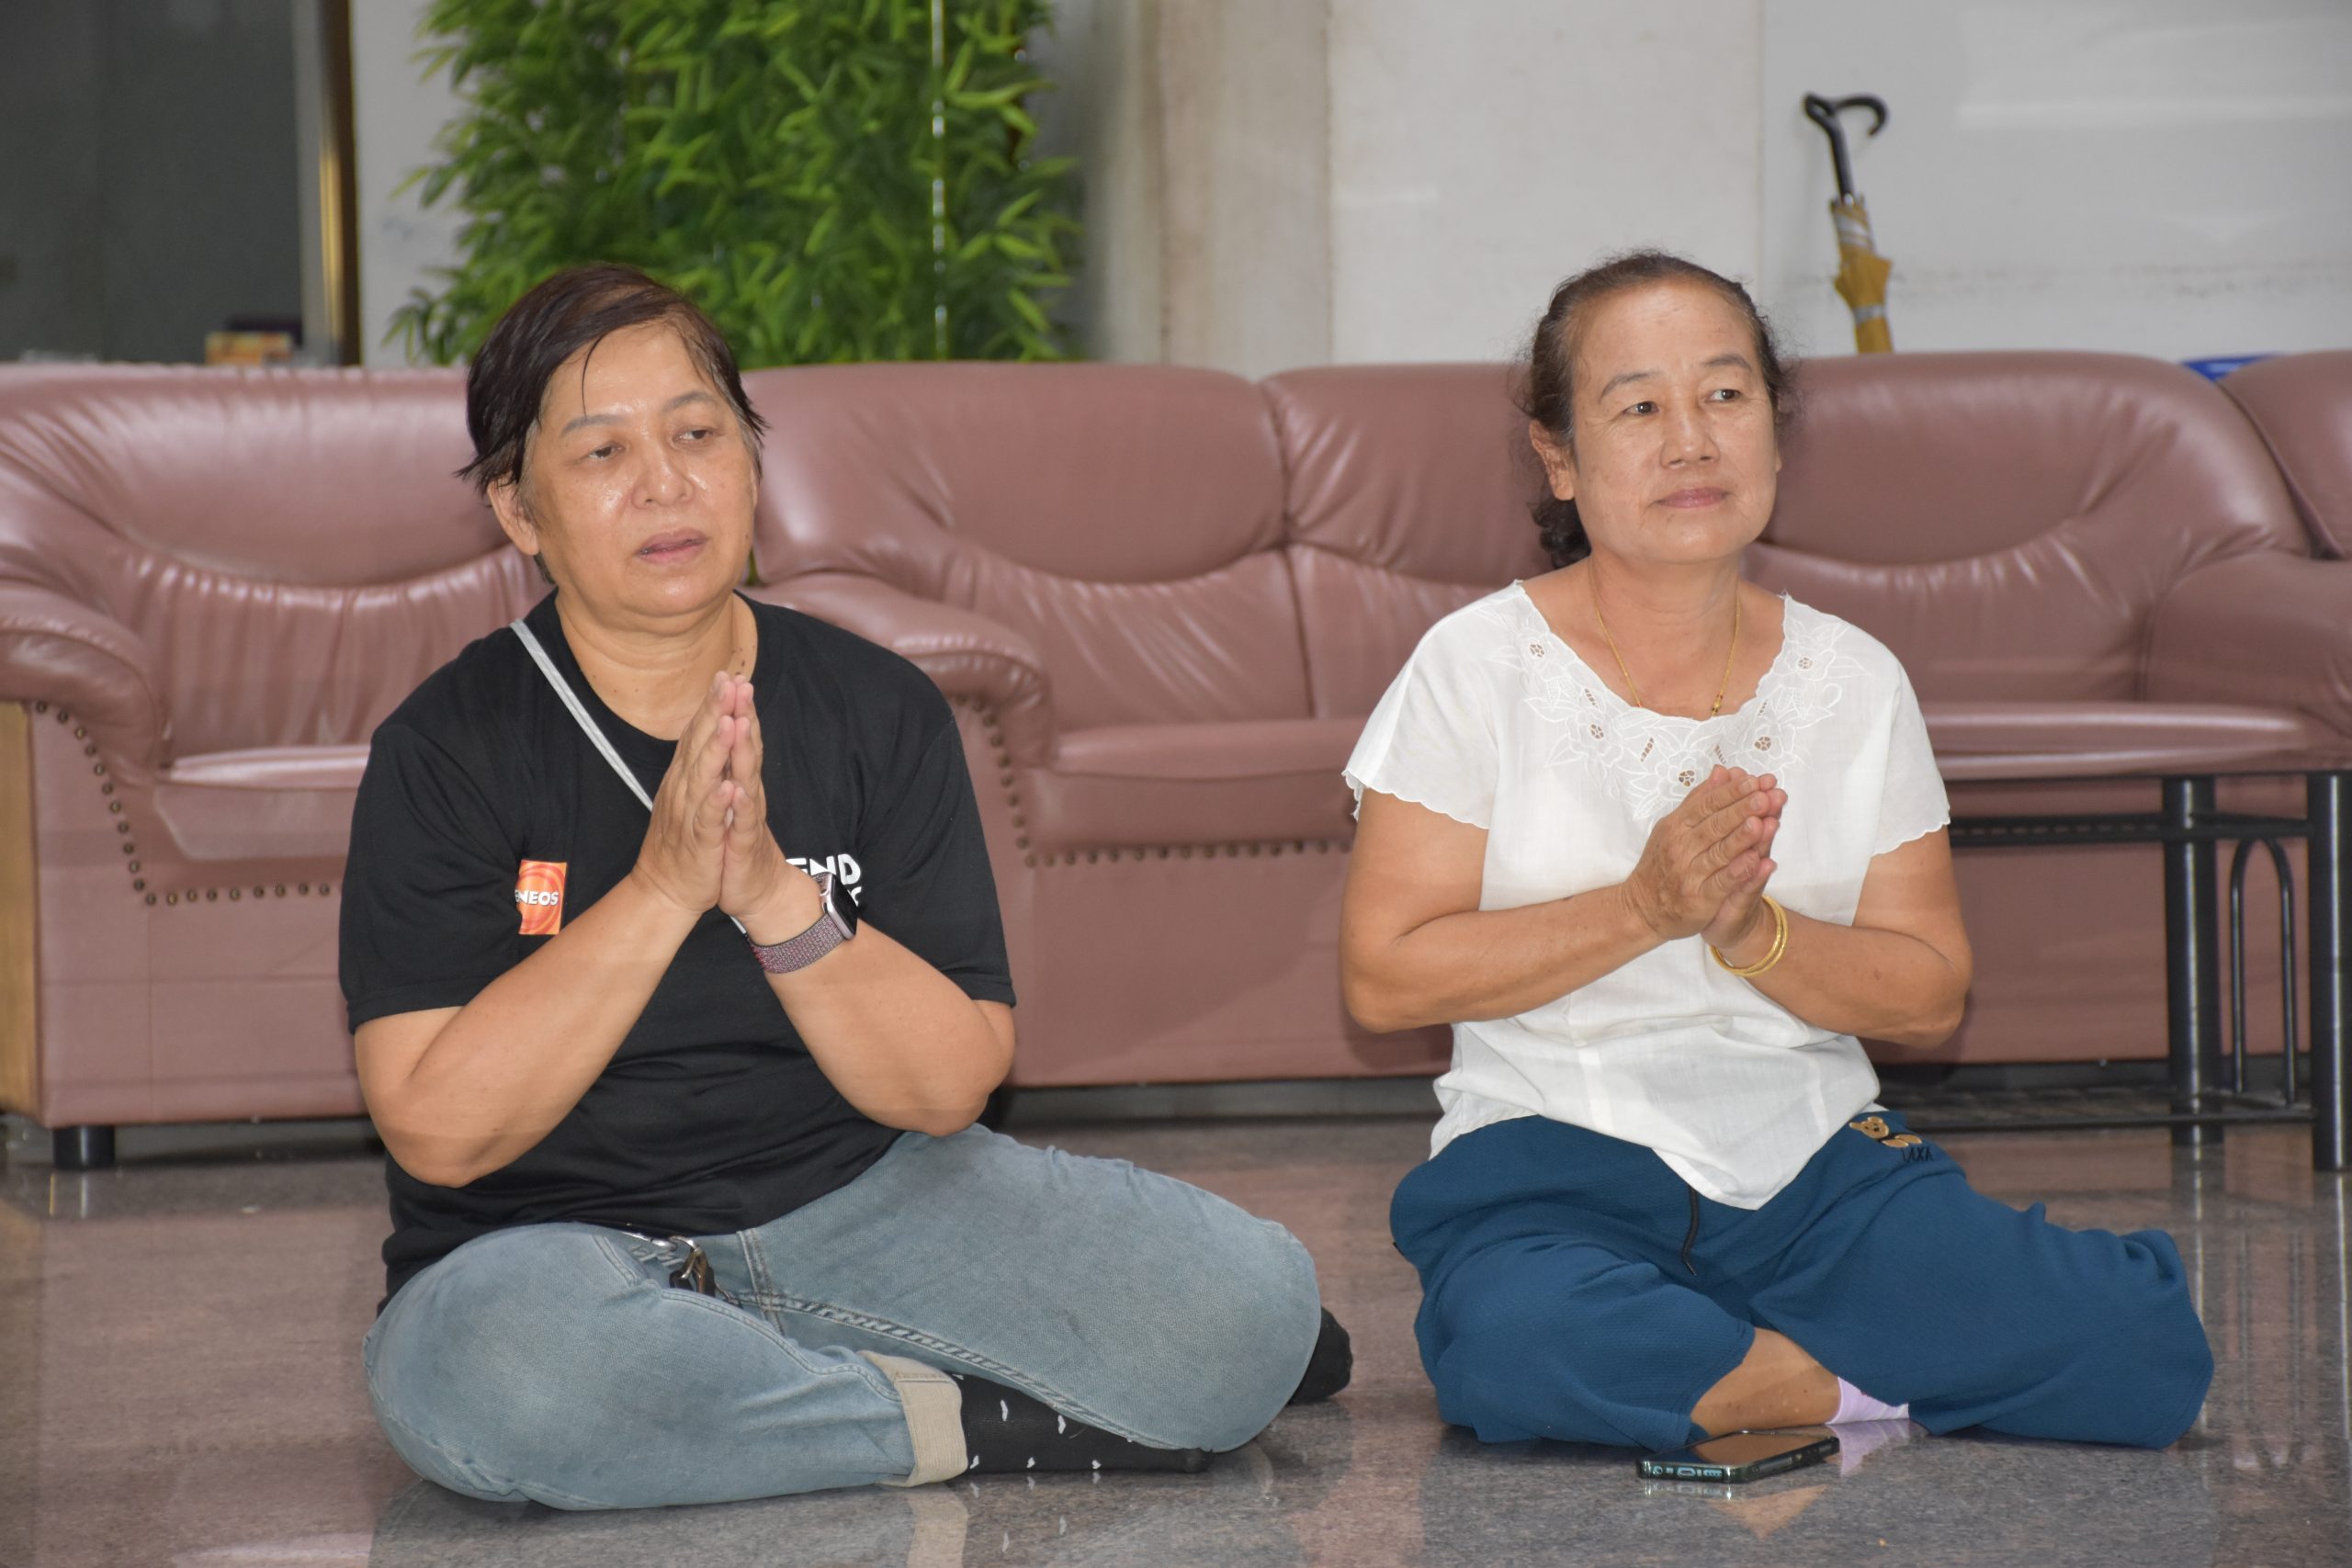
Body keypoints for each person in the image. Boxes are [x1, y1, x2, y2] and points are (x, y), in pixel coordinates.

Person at [342, 265, 1346, 1511]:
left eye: (698, 435)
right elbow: (437, 1127)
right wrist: (660, 889)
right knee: (501, 1382)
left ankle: (755, 1402)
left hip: (864, 1201)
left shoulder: (880, 709)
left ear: (752, 460)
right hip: (545, 1252)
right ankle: (953, 1421)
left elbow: (950, 1085)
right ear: (519, 509)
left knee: (1251, 1315)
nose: (665, 485)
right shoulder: (447, 749)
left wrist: (773, 894)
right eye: (602, 453)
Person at [1339, 251, 2211, 1455]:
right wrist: (1647, 908)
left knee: (2142, 1344)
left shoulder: (1853, 678)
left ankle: (1736, 1368)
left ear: (1775, 427)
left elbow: (1928, 994)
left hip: (1815, 1167)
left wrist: (1758, 936)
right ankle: (1854, 1374)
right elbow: (1385, 978)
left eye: (1725, 394)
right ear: (1558, 457)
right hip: (1551, 1163)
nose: (1690, 441)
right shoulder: (1473, 667)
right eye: (1638, 407)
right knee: (1517, 1341)